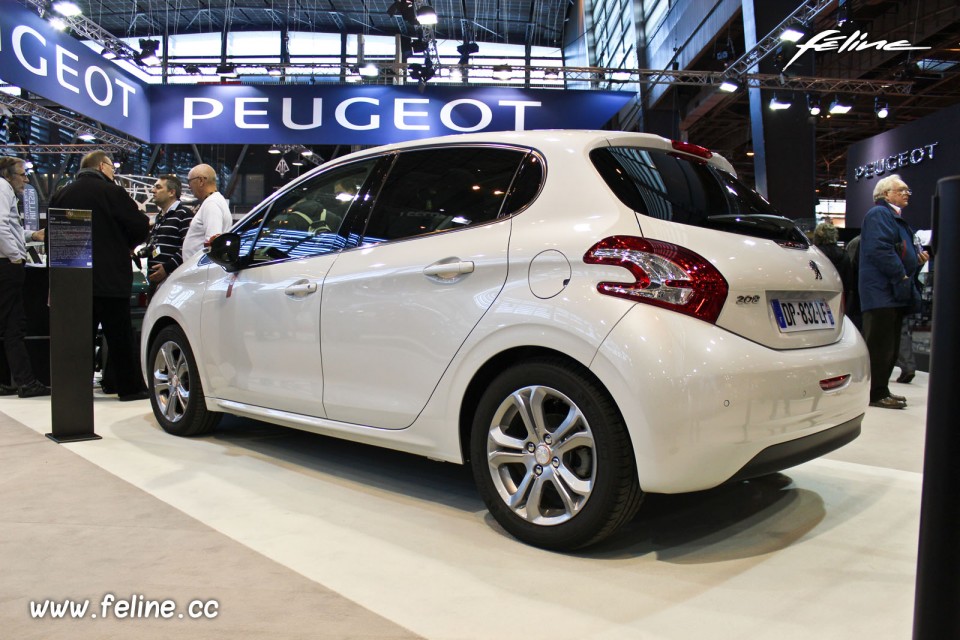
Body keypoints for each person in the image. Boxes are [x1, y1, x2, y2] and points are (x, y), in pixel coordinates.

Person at [49, 151, 150, 401]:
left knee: (77, 336)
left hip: (73, 277)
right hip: (110, 276)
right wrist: (124, 244)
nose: (113, 173)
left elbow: (54, 234)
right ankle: (128, 387)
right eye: (112, 168)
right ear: (103, 166)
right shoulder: (112, 192)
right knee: (119, 334)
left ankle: (74, 390)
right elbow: (140, 225)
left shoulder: (62, 194)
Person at [858, 174, 929, 409]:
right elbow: (880, 250)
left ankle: (881, 390)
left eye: (908, 190)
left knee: (889, 347)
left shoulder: (893, 218)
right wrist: (902, 275)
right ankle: (875, 393)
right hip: (883, 292)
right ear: (886, 194)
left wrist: (915, 262)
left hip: (892, 292)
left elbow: (899, 252)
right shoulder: (879, 214)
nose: (907, 193)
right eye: (901, 190)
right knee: (880, 346)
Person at [0, 157, 49, 398]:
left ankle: (22, 381)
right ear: (8, 175)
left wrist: (32, 236)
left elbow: (11, 227)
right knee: (12, 325)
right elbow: (0, 227)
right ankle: (25, 382)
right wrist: (15, 257)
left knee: (11, 326)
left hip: (7, 264)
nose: (26, 179)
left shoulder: (5, 190)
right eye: (22, 174)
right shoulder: (2, 188)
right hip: (7, 266)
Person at [146, 174, 193, 297]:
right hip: (156, 283)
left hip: (173, 285)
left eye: (158, 187)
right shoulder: (160, 217)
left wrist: (167, 268)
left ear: (171, 192)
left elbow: (188, 247)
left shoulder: (184, 214)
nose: (153, 190)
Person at [182, 164, 232, 261]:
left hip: (200, 271)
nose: (189, 187)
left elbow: (212, 244)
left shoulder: (211, 203)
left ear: (201, 181)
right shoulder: (213, 201)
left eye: (190, 181)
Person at [813, 221, 854, 297]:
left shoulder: (815, 254)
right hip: (839, 296)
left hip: (819, 296)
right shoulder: (844, 254)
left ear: (817, 236)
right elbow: (848, 282)